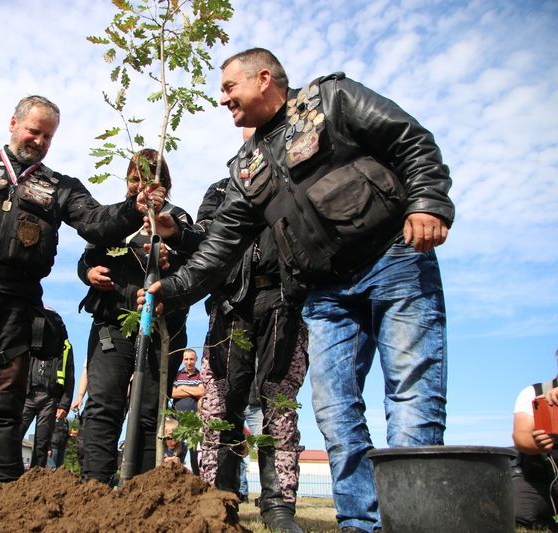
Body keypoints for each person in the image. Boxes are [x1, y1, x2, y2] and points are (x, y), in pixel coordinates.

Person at [140, 48, 454, 533]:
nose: (222, 99)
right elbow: (219, 246)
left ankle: (415, 522)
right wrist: (174, 288)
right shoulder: (246, 168)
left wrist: (427, 201)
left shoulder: (333, 99)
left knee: (411, 392)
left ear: (264, 78)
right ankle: (359, 523)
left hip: (394, 257)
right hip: (325, 292)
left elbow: (409, 138)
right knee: (334, 407)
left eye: (228, 87)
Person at [0, 95, 164, 520]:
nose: (38, 141)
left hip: (17, 301)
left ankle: (1, 498)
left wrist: (134, 208)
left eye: (47, 136)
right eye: (33, 131)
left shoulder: (60, 186)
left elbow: (96, 222)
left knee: (4, 405)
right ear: (13, 123)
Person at [158, 145, 309, 532]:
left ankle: (278, 505)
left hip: (283, 302)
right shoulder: (221, 189)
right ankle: (218, 501)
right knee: (219, 405)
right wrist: (178, 232)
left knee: (278, 402)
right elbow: (206, 237)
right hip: (230, 307)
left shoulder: (296, 179)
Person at [77, 148, 192, 485]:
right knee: (104, 404)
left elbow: (198, 268)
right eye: (134, 179)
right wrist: (88, 273)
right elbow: (87, 257)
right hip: (112, 323)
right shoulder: (114, 217)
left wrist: (170, 267)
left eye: (149, 180)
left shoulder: (178, 220)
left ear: (165, 184)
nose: (140, 186)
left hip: (161, 329)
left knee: (148, 410)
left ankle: (139, 489)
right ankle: (95, 487)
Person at [20, 308, 74, 468]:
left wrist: (65, 404)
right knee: (15, 433)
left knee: (42, 441)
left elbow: (70, 376)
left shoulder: (65, 346)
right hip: (27, 395)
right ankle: (9, 472)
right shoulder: (29, 339)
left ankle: (35, 475)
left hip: (49, 399)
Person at [512, 374, 558, 530]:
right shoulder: (534, 393)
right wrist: (537, 443)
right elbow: (520, 437)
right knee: (518, 514)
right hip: (541, 480)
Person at [171, 348, 203, 474]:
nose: (189, 362)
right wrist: (192, 391)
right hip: (177, 419)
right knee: (177, 451)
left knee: (194, 452)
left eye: (191, 359)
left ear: (196, 359)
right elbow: (173, 393)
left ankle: (196, 478)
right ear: (183, 360)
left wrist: (183, 387)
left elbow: (201, 392)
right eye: (186, 359)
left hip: (194, 421)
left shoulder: (200, 375)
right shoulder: (177, 374)